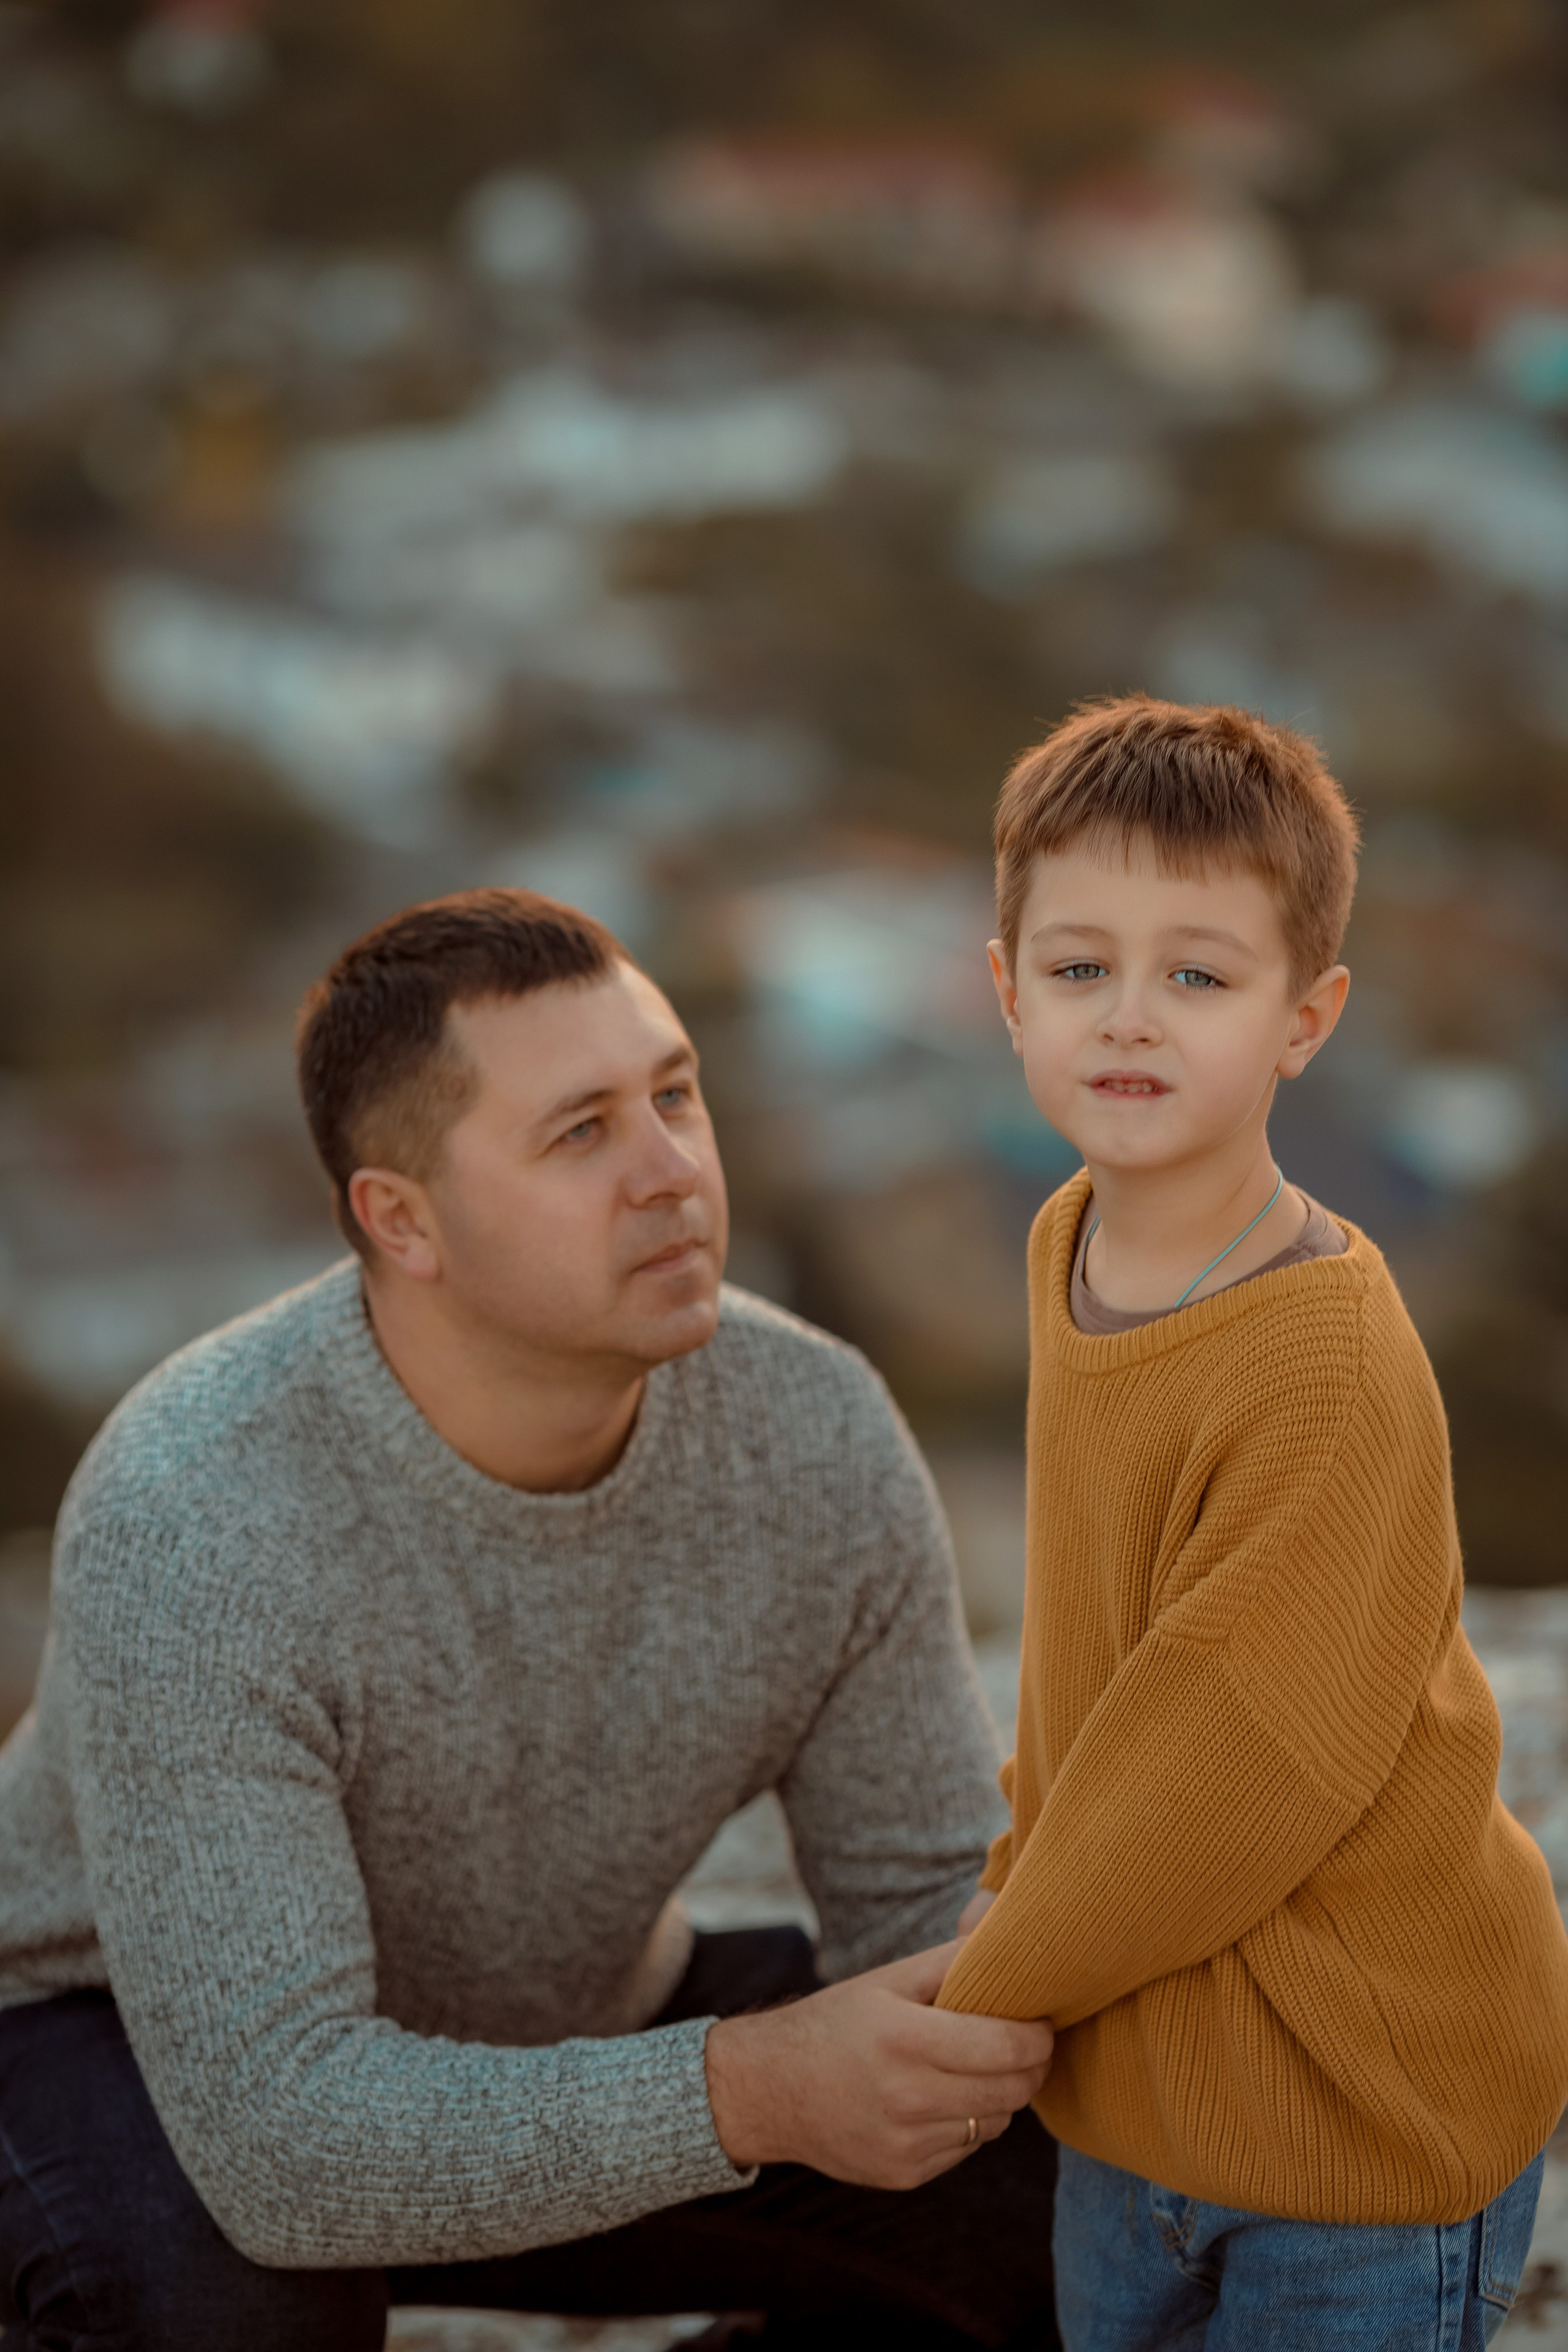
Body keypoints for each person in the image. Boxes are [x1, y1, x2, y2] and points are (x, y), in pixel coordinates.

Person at [0, 890, 1059, 2352]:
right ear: (401, 1221)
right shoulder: (199, 1511)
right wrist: (750, 2091)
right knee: (232, 2305)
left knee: (1067, 2188)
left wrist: (1033, 1964)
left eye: (673, 1095)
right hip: (113, 2045)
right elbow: (282, 2145)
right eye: (581, 1133)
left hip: (565, 2027)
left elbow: (916, 1900)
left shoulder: (812, 1427)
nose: (671, 1172)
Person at [937, 695, 1568, 2350]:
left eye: (1199, 978)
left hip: (1361, 2110)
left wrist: (971, 2000)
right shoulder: (1070, 1240)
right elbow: (1088, 1649)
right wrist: (1015, 1883)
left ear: (1306, 1017)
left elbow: (1224, 1762)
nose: (1128, 1018)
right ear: (1007, 991)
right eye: (1080, 968)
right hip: (1133, 2090)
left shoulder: (1322, 1363)